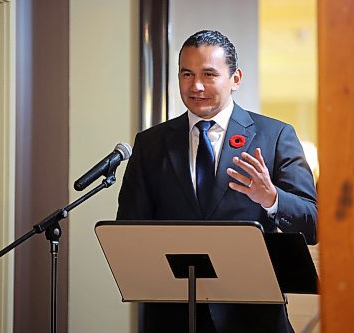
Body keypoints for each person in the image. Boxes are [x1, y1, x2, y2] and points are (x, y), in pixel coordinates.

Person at [117, 30, 317, 333]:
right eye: (187, 74)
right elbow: (130, 234)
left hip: (253, 319)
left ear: (235, 78)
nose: (196, 86)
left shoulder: (275, 136)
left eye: (209, 74)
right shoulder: (151, 144)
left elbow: (313, 223)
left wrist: (272, 199)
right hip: (172, 318)